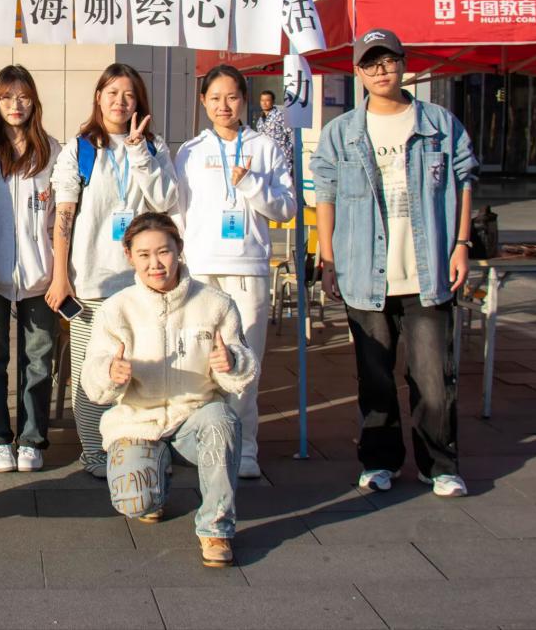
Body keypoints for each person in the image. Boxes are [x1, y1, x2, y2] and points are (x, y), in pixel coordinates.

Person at [311, 28, 477, 498]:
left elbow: (464, 180)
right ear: (358, 72)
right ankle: (379, 460)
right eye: (370, 63)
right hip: (364, 273)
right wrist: (328, 260)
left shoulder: (439, 123)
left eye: (388, 61)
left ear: (404, 64)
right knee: (375, 378)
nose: (381, 71)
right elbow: (326, 196)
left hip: (429, 271)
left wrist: (462, 243)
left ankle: (439, 465)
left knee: (433, 378)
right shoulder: (342, 132)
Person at [82, 213, 257, 568]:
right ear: (129, 256)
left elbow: (240, 368)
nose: (155, 263)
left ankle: (216, 528)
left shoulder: (216, 303)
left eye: (163, 251)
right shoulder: (116, 308)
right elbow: (94, 381)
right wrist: (111, 372)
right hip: (138, 420)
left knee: (223, 421)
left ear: (179, 249)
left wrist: (231, 362)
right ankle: (155, 482)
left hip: (196, 414)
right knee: (136, 502)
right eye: (144, 254)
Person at [46, 63, 179, 478]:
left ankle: (143, 447)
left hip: (145, 283)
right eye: (112, 93)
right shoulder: (81, 148)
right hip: (91, 281)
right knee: (92, 372)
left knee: (147, 370)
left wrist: (139, 152)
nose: (120, 102)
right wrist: (60, 276)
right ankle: (94, 453)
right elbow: (64, 214)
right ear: (98, 97)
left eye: (129, 94)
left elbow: (166, 201)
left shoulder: (154, 147)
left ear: (139, 101)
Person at [175, 65, 295, 480]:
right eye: (215, 98)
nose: (223, 105)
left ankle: (244, 447)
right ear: (203, 102)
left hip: (247, 269)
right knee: (200, 362)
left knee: (244, 362)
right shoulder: (190, 151)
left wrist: (251, 185)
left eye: (231, 97)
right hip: (200, 270)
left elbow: (286, 208)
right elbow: (179, 211)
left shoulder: (264, 147)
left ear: (244, 99)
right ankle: (204, 443)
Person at [0, 65, 62, 473]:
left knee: (38, 359)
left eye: (23, 97)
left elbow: (62, 214)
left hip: (41, 276)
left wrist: (60, 271)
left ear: (34, 101)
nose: (15, 105)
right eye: (7, 97)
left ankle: (31, 438)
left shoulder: (52, 151)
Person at [254, 89, 294, 177]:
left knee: (284, 181)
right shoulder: (260, 119)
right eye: (262, 100)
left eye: (267, 100)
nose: (264, 103)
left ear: (273, 102)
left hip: (281, 157)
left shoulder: (280, 116)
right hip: (266, 157)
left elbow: (291, 134)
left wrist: (289, 153)